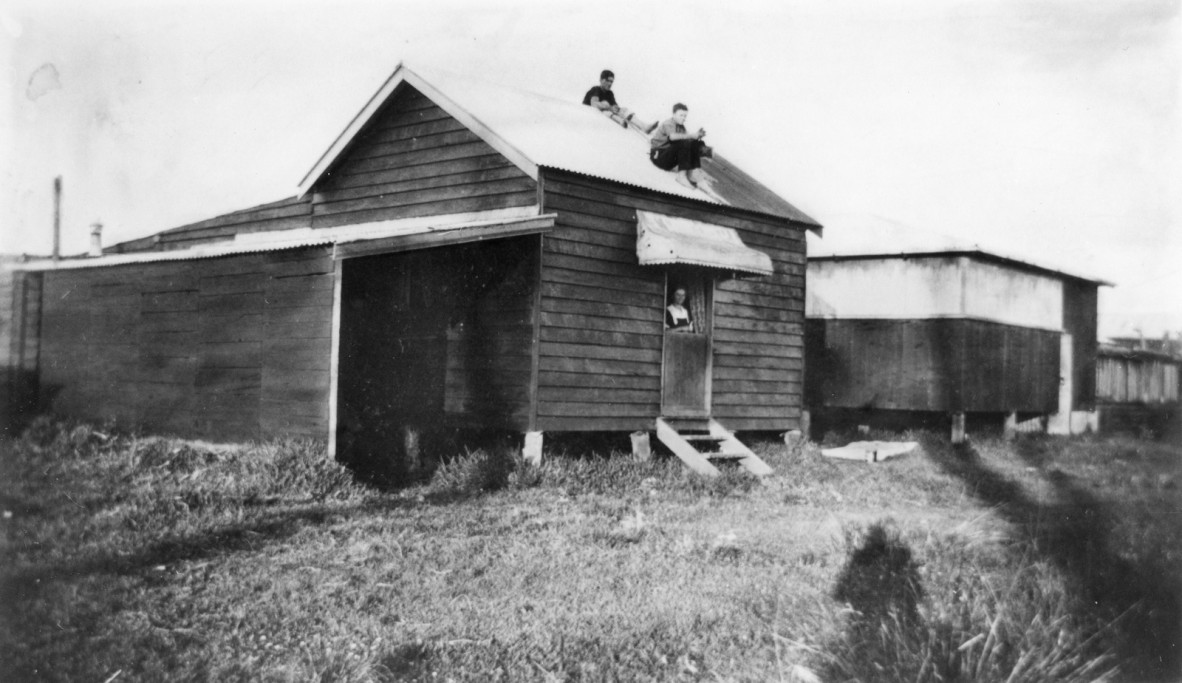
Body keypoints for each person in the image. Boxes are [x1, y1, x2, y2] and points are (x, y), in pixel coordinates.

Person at [650, 103, 711, 189]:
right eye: (681, 115)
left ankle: (693, 173)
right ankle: (681, 176)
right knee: (684, 142)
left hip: (668, 159)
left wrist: (697, 136)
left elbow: (689, 143)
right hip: (659, 157)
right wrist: (691, 135)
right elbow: (672, 137)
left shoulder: (681, 127)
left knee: (695, 143)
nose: (683, 118)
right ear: (674, 114)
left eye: (685, 116)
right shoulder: (668, 123)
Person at [583, 70, 657, 133]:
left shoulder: (610, 93)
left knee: (623, 109)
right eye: (608, 81)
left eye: (612, 81)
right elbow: (594, 104)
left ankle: (644, 127)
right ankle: (621, 121)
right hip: (589, 118)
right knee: (605, 105)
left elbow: (615, 106)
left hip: (607, 114)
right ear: (602, 80)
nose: (610, 84)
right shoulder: (596, 89)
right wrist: (609, 107)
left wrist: (616, 108)